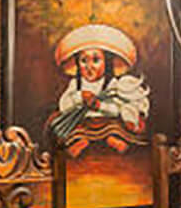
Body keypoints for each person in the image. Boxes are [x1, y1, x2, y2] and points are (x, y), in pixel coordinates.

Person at [47, 22, 150, 156]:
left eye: (95, 60)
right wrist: (79, 97)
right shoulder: (75, 84)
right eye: (84, 61)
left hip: (106, 122)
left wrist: (99, 106)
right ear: (78, 64)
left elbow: (117, 109)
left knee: (114, 128)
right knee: (73, 131)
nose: (89, 66)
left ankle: (113, 140)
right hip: (83, 122)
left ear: (107, 63)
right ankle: (78, 142)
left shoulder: (112, 84)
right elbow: (64, 105)